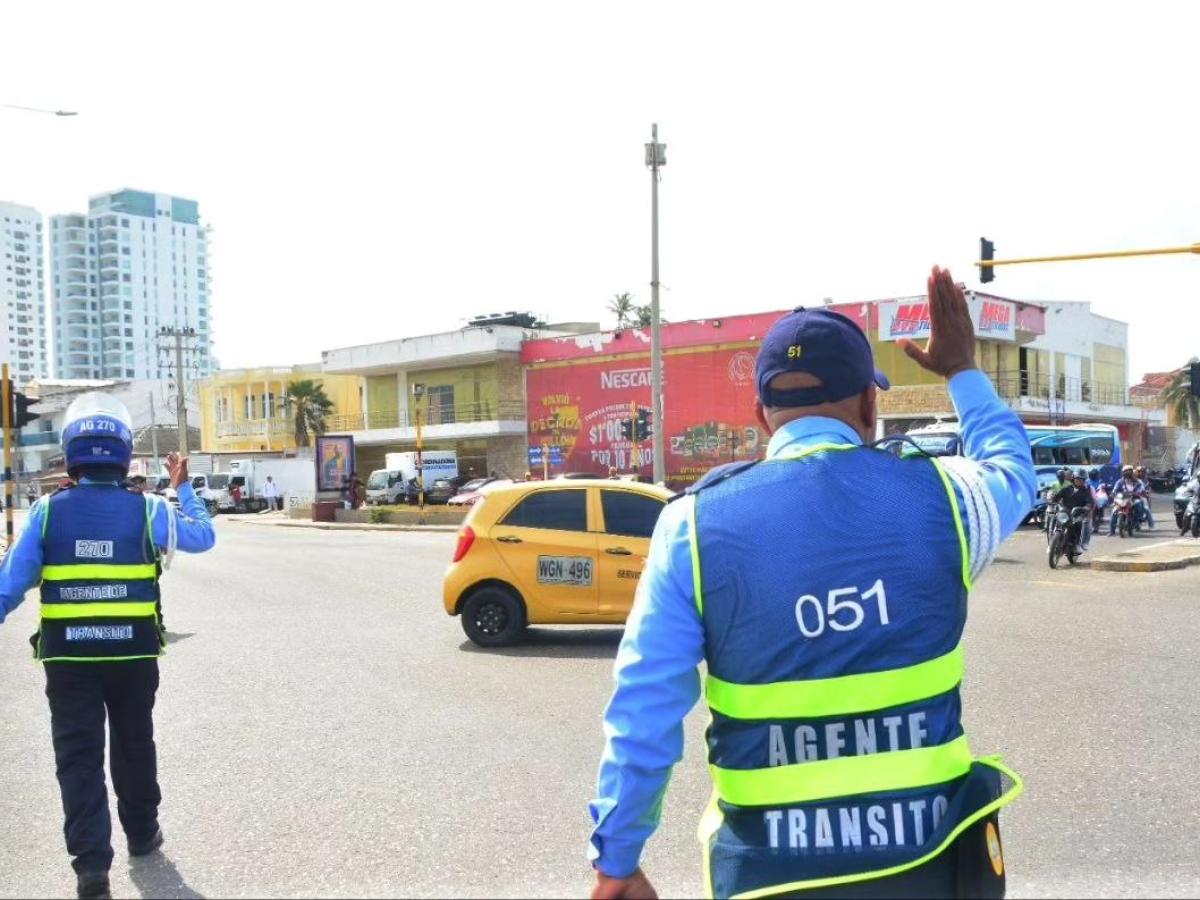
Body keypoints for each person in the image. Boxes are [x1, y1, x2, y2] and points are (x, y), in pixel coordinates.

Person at [589, 268, 1037, 900]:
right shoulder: (946, 500)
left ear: (763, 417)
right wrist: (962, 369)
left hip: (766, 882)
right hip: (929, 873)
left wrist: (617, 859)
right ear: (869, 403)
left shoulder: (690, 526)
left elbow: (644, 708)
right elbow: (1014, 469)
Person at [0, 393, 215, 900]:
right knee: (134, 742)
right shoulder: (148, 510)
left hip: (69, 660)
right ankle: (142, 834)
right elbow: (203, 536)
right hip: (133, 657)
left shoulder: (46, 514)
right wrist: (183, 491)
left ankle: (91, 868)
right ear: (121, 452)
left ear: (71, 449)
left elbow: (8, 588)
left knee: (78, 757)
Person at [1051, 471, 1094, 551]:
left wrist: (1087, 507)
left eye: (1082, 479)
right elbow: (1058, 496)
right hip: (1066, 511)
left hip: (1078, 513)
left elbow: (1090, 502)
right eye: (1078, 479)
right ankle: (1052, 540)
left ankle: (1076, 544)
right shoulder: (1067, 489)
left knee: (1078, 523)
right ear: (1074, 478)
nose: (1079, 481)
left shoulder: (1086, 492)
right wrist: (1053, 499)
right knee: (1055, 518)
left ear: (1084, 481)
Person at [1110, 465, 1151, 534]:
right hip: (1122, 499)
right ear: (1123, 473)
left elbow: (1141, 489)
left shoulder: (1137, 481)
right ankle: (1112, 530)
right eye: (1126, 471)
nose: (1127, 473)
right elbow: (1115, 490)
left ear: (1132, 472)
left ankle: (1138, 520)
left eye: (1129, 471)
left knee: (1139, 504)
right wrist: (1113, 494)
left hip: (1134, 498)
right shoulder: (1119, 482)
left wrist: (1137, 493)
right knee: (1114, 512)